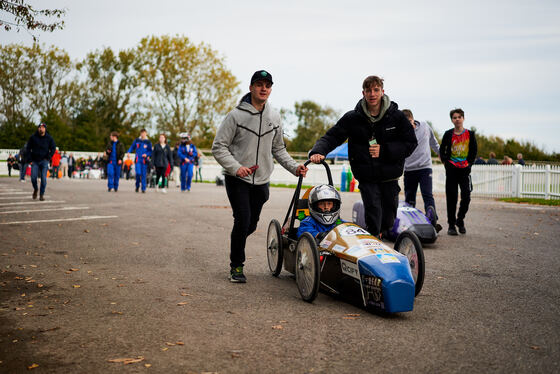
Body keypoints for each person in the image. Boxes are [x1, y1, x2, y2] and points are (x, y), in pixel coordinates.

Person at [212, 69, 308, 283]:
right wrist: (236, 167)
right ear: (251, 88)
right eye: (259, 84)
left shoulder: (274, 116)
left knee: (251, 225)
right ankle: (237, 266)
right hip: (237, 179)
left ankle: (237, 241)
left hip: (262, 179)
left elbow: (279, 149)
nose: (263, 88)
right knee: (243, 219)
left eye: (267, 85)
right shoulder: (235, 116)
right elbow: (219, 147)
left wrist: (295, 167)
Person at [309, 75, 417, 238]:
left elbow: (410, 142)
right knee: (373, 213)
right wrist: (318, 151)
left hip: (390, 175)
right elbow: (332, 136)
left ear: (382, 92)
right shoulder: (353, 118)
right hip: (366, 175)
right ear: (363, 93)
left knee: (388, 220)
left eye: (376, 90)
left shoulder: (397, 117)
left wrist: (385, 150)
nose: (372, 94)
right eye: (368, 90)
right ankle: (372, 246)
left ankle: (378, 234)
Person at [440, 108, 477, 236]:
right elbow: (442, 149)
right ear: (452, 120)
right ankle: (451, 225)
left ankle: (460, 220)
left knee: (466, 196)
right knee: (452, 198)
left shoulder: (470, 134)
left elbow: (473, 151)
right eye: (454, 117)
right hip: (451, 170)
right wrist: (446, 163)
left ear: (463, 118)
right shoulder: (448, 134)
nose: (457, 119)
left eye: (459, 117)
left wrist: (469, 164)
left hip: (464, 170)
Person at [401, 109, 440, 227]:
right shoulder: (400, 133)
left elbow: (433, 142)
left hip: (425, 167)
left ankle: (432, 221)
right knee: (410, 198)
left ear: (413, 120)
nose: (409, 127)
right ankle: (409, 223)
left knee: (427, 194)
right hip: (409, 169)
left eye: (410, 123)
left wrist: (440, 153)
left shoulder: (424, 126)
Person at [27, 123, 56, 201]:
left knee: (43, 179)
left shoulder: (49, 138)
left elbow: (53, 148)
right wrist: (30, 159)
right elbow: (28, 148)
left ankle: (41, 194)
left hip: (44, 161)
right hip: (35, 161)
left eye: (43, 127)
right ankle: (36, 189)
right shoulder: (33, 137)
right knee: (33, 178)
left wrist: (48, 157)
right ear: (38, 128)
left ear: (45, 129)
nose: (41, 129)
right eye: (40, 127)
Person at [127, 129, 152, 193]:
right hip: (138, 159)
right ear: (140, 134)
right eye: (142, 133)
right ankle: (137, 185)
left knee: (144, 174)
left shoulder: (148, 142)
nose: (143, 134)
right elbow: (132, 147)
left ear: (146, 134)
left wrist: (146, 154)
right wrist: (128, 152)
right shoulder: (137, 140)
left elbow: (150, 151)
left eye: (144, 133)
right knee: (138, 173)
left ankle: (143, 188)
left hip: (144, 160)